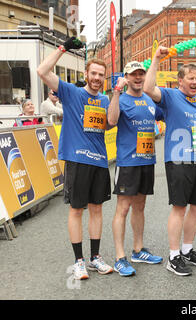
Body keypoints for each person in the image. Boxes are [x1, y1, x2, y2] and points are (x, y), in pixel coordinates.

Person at [37, 37, 113, 280]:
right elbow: (41, 71)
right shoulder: (70, 92)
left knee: (97, 210)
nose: (97, 78)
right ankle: (79, 261)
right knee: (77, 211)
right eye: (93, 73)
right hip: (77, 160)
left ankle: (95, 258)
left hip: (99, 161)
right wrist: (62, 49)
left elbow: (110, 124)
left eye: (101, 75)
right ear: (86, 73)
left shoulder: (104, 100)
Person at [143, 46, 196, 276]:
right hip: (178, 161)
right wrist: (156, 59)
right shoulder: (172, 96)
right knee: (180, 208)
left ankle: (186, 249)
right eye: (190, 78)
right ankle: (173, 256)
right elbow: (147, 88)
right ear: (180, 81)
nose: (195, 82)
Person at [108, 61, 164, 277]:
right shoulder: (121, 99)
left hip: (147, 161)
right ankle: (120, 257)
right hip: (128, 163)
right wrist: (116, 92)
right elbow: (111, 121)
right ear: (126, 77)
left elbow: (165, 114)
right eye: (134, 75)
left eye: (141, 74)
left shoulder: (150, 100)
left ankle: (138, 250)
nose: (138, 78)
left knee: (140, 207)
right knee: (123, 208)